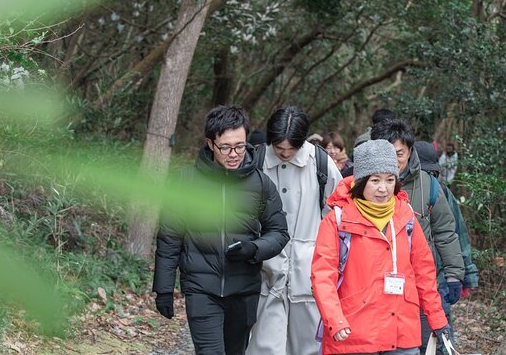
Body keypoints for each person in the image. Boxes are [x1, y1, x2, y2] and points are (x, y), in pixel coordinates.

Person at [153, 105, 290, 355]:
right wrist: (163, 288)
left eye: (240, 145)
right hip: (201, 289)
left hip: (244, 291)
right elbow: (169, 237)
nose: (234, 154)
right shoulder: (186, 181)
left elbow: (279, 232)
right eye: (225, 147)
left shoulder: (260, 183)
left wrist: (254, 249)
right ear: (210, 143)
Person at [311, 139, 449, 354]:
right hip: (353, 333)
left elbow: (424, 273)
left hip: (401, 331)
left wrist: (437, 319)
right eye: (375, 180)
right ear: (360, 181)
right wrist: (334, 320)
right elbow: (322, 276)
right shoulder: (337, 220)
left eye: (390, 179)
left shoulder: (406, 217)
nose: (383, 188)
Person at [246, 106, 342, 355]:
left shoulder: (321, 163)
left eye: (291, 149)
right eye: (279, 149)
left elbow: (339, 216)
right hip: (266, 271)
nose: (285, 154)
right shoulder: (256, 161)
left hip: (309, 274)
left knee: (310, 346)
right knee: (264, 346)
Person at [371, 119, 464, 355]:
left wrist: (454, 274)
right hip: (373, 286)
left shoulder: (428, 185)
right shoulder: (363, 185)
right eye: (387, 153)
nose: (393, 160)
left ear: (410, 150)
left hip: (421, 283)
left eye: (399, 153)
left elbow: (445, 232)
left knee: (428, 343)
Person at [414, 140, 480, 348]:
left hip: (440, 274)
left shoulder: (441, 193)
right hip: (414, 275)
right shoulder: (401, 192)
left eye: (432, 173)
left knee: (440, 330)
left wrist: (464, 276)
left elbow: (456, 234)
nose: (429, 178)